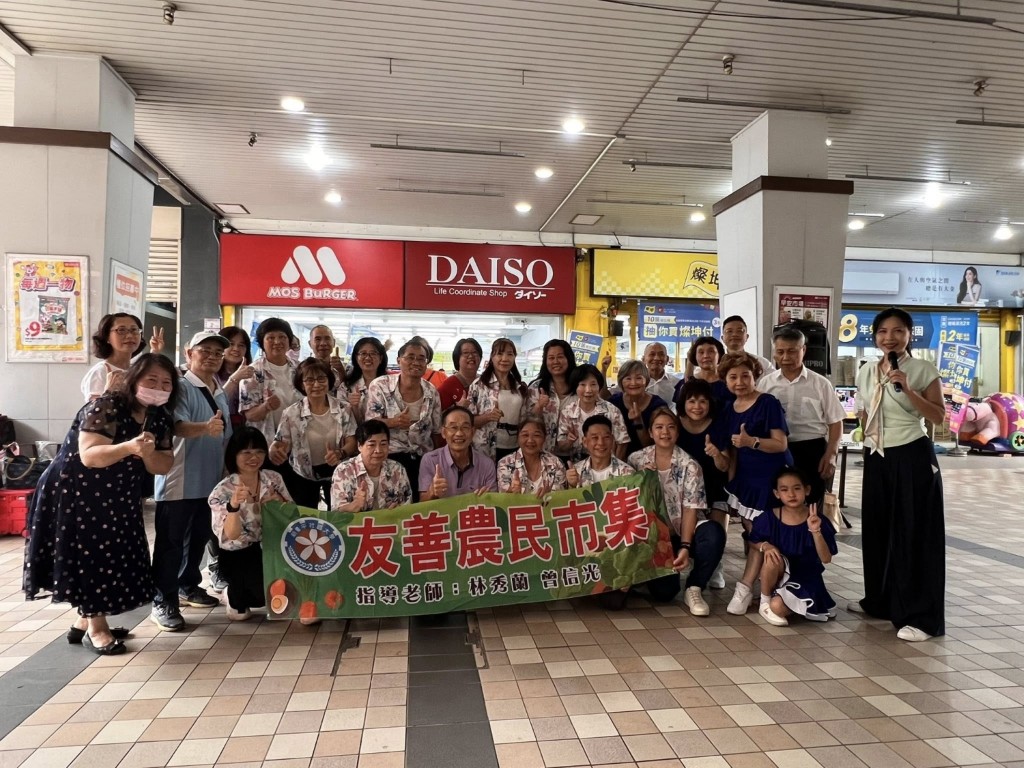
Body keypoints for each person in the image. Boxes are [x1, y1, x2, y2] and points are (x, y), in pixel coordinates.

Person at [24, 354, 178, 655]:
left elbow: (163, 464)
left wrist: (147, 454)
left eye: (166, 383)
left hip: (119, 494)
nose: (158, 388)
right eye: (151, 380)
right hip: (76, 491)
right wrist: (129, 447)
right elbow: (90, 456)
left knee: (115, 552)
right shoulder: (106, 406)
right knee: (91, 554)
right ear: (133, 379)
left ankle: (84, 621)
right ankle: (96, 628)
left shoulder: (159, 417)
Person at [852, 307, 946, 642]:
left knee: (914, 533)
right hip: (877, 454)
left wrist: (908, 389)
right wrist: (864, 430)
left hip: (912, 454)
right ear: (875, 336)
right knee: (877, 530)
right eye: (882, 332)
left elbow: (938, 417)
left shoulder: (922, 370)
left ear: (909, 335)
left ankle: (923, 618)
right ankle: (879, 600)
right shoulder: (867, 370)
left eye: (898, 331)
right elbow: (865, 409)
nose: (889, 338)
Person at [151, 332, 233, 632]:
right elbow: (178, 426)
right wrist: (206, 427)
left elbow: (225, 436)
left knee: (198, 538)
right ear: (189, 353)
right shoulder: (180, 386)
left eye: (217, 353)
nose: (212, 356)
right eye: (205, 350)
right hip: (179, 480)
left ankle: (187, 585)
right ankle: (162, 600)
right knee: (170, 543)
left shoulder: (218, 389)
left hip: (210, 483)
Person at [710, 353, 793, 616]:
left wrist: (752, 442)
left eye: (745, 375)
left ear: (755, 376)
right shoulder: (728, 409)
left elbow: (780, 444)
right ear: (725, 380)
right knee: (756, 537)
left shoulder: (768, 403)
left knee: (765, 537)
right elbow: (730, 454)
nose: (739, 382)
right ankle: (761, 590)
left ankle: (751, 588)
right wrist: (729, 478)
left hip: (773, 480)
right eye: (733, 377)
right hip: (746, 483)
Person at [629, 408, 723, 615]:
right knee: (665, 593)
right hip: (654, 537)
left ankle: (695, 586)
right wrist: (640, 480)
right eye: (659, 427)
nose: (665, 432)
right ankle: (646, 578)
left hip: (683, 531)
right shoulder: (635, 460)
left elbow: (690, 508)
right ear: (651, 432)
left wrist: (685, 546)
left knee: (714, 534)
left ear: (678, 432)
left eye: (671, 427)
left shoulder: (690, 465)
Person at [208, 427, 291, 621]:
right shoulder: (222, 490)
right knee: (246, 609)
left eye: (259, 452)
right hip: (238, 552)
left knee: (278, 596)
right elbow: (232, 534)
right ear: (234, 455)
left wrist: (279, 504)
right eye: (246, 452)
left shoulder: (273, 479)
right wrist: (234, 507)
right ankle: (232, 594)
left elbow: (292, 516)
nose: (254, 457)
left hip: (271, 547)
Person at [759, 326, 845, 506]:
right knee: (777, 503)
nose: (785, 357)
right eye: (780, 352)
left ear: (803, 350)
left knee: (811, 502)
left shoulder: (821, 384)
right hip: (776, 449)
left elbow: (835, 421)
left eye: (792, 351)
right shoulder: (765, 384)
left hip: (812, 450)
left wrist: (831, 454)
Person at [750, 467, 837, 627]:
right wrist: (765, 546)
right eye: (784, 490)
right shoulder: (769, 517)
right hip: (778, 574)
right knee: (772, 556)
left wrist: (815, 531)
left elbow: (826, 558)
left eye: (797, 488)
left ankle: (783, 603)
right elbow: (753, 540)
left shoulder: (818, 520)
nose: (791, 494)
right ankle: (764, 602)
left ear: (807, 490)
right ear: (777, 494)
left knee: (778, 607)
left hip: (806, 579)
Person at [270, 358, 358, 510]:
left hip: (338, 472)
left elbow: (352, 441)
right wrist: (275, 448)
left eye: (321, 379)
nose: (316, 385)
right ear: (301, 384)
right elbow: (280, 442)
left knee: (338, 516)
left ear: (329, 381)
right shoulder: (291, 413)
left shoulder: (344, 408)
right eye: (309, 380)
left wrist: (340, 453)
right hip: (302, 474)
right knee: (305, 516)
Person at [366, 338, 443, 502]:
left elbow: (436, 432)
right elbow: (370, 425)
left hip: (422, 459)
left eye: (421, 358)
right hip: (388, 458)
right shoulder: (380, 386)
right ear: (399, 360)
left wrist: (439, 462)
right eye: (410, 357)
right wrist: (393, 422)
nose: (416, 362)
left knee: (420, 505)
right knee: (391, 506)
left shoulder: (432, 392)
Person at [676, 378, 731, 589]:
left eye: (702, 401)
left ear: (710, 403)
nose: (697, 407)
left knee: (716, 530)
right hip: (682, 489)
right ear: (683, 403)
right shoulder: (675, 424)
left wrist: (716, 454)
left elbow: (725, 466)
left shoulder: (718, 426)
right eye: (691, 401)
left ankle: (715, 565)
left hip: (713, 484)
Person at [239, 317, 300, 447]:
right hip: (267, 444)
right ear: (262, 343)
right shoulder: (252, 373)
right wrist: (266, 407)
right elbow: (250, 415)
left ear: (289, 341)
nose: (277, 342)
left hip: (299, 442)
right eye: (270, 338)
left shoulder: (300, 369)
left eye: (282, 337)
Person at [331, 420, 413, 511]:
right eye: (372, 445)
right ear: (359, 446)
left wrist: (399, 510)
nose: (378, 450)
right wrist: (355, 505)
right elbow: (336, 513)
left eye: (383, 444)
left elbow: (407, 506)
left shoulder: (397, 469)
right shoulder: (344, 471)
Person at [80, 313, 164, 401]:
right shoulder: (100, 371)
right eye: (121, 330)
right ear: (107, 337)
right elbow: (94, 408)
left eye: (134, 330)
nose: (130, 335)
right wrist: (109, 391)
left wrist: (155, 351)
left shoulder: (135, 369)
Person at [469, 338, 528, 462]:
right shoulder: (479, 385)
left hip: (514, 447)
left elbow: (525, 419)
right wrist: (488, 417)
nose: (505, 359)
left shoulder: (519, 387)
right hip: (485, 447)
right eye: (500, 354)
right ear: (492, 357)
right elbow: (468, 421)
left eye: (510, 354)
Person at [420, 405, 496, 500]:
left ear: (473, 432)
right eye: (453, 427)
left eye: (465, 427)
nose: (459, 433)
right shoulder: (430, 460)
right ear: (443, 432)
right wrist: (432, 492)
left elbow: (494, 503)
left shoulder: (487, 464)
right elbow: (422, 503)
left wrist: (489, 497)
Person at [557, 364, 629, 460]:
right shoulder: (567, 412)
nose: (588, 390)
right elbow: (561, 446)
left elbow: (622, 442)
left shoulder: (612, 410)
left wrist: (615, 465)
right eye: (582, 385)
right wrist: (569, 441)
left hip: (607, 462)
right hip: (578, 464)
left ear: (599, 386)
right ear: (575, 387)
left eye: (593, 384)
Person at [528, 339, 577, 459]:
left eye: (560, 357)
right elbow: (527, 420)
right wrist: (539, 406)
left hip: (576, 453)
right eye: (551, 358)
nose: (555, 361)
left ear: (568, 359)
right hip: (544, 454)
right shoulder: (536, 387)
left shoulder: (580, 387)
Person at [609, 360, 668, 456]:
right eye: (628, 378)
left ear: (646, 380)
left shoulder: (658, 405)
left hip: (648, 458)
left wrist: (638, 420)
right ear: (621, 382)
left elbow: (652, 445)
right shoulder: (613, 403)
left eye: (639, 378)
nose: (633, 383)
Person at [496, 416, 567, 495]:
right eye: (525, 435)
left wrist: (550, 496)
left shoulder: (556, 463)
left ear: (544, 438)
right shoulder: (505, 463)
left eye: (536, 435)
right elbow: (502, 498)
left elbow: (561, 497)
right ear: (518, 438)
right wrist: (512, 492)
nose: (530, 440)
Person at [565, 415, 634, 487]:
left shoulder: (627, 473)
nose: (601, 443)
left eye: (606, 437)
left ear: (612, 440)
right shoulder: (576, 471)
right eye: (595, 437)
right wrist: (572, 485)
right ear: (585, 442)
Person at [214, 326, 255, 430]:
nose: (236, 349)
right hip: (218, 426)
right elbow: (216, 402)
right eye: (231, 344)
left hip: (246, 429)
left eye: (241, 345)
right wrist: (235, 378)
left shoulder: (252, 374)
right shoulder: (211, 373)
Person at [340, 336, 388, 422]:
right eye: (363, 353)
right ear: (356, 358)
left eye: (373, 353)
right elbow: (342, 421)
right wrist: (354, 407)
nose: (368, 358)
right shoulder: (346, 387)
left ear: (381, 358)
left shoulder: (390, 385)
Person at [678, 336, 731, 409]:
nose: (705, 356)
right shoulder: (686, 383)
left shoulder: (728, 383)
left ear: (719, 355)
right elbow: (680, 411)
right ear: (695, 356)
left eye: (711, 351)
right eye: (701, 352)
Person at [437, 338, 482, 410]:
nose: (471, 356)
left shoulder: (486, 381)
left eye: (475, 352)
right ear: (457, 358)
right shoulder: (448, 385)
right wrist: (457, 408)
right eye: (465, 353)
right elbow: (436, 413)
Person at [309, 324, 346, 390]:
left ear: (334, 342)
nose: (323, 343)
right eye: (318, 339)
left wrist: (341, 371)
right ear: (310, 344)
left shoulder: (345, 368)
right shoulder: (304, 368)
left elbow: (348, 390)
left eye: (327, 339)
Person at [642, 343, 678, 409]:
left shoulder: (676, 383)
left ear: (667, 359)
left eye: (661, 354)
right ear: (644, 359)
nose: (657, 358)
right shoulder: (636, 383)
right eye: (652, 354)